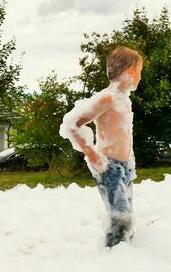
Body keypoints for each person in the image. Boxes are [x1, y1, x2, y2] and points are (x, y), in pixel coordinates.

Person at [60, 46, 143, 248]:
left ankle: (125, 259)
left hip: (125, 168)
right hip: (110, 168)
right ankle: (110, 260)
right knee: (120, 219)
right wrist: (91, 154)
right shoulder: (108, 97)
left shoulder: (124, 99)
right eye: (140, 71)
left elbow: (121, 135)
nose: (140, 77)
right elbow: (71, 124)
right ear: (130, 71)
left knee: (127, 220)